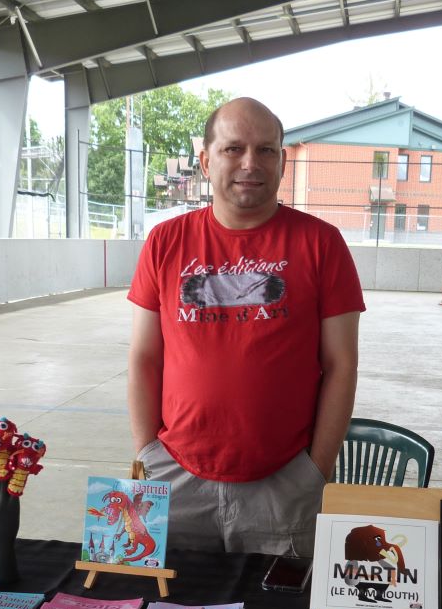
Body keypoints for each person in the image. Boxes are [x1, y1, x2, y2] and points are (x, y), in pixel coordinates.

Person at [127, 96, 364, 557]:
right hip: (174, 476)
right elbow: (144, 357)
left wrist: (315, 468)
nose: (250, 163)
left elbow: (341, 364)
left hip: (284, 483)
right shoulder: (165, 242)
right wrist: (146, 453)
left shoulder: (321, 244)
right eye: (233, 149)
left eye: (266, 150)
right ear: (205, 160)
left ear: (282, 160)